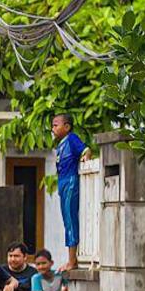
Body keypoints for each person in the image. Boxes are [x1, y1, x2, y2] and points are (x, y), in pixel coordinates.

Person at [52, 113, 91, 271]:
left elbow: (86, 150)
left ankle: (71, 260)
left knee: (70, 219)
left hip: (70, 181)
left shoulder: (71, 138)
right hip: (62, 182)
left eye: (56, 125)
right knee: (66, 220)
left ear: (66, 127)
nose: (52, 128)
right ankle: (70, 258)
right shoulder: (60, 144)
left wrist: (85, 158)